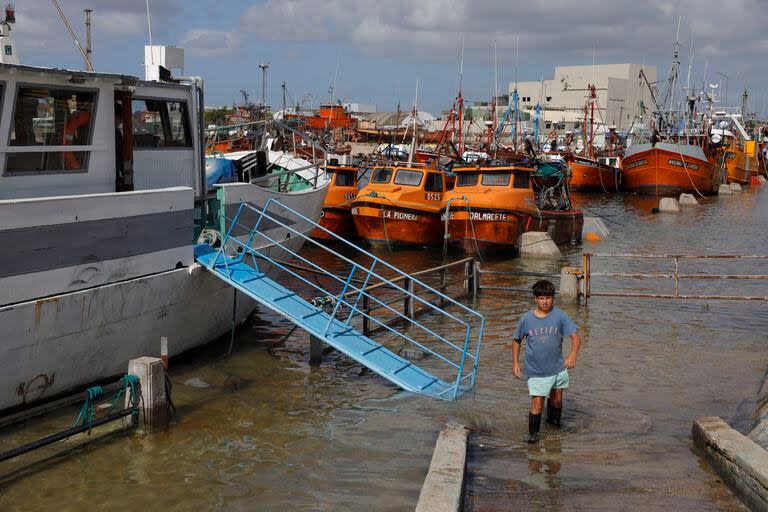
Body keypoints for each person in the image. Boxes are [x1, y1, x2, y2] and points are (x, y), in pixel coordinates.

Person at [513, 279, 582, 444]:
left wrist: (572, 355)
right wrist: (515, 363)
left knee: (557, 400)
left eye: (548, 297)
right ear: (535, 299)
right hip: (537, 370)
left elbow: (576, 337)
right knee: (537, 404)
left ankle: (554, 426)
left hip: (558, 368)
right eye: (541, 298)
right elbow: (516, 340)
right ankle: (533, 436)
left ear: (553, 298)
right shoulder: (526, 319)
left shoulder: (560, 316)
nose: (545, 301)